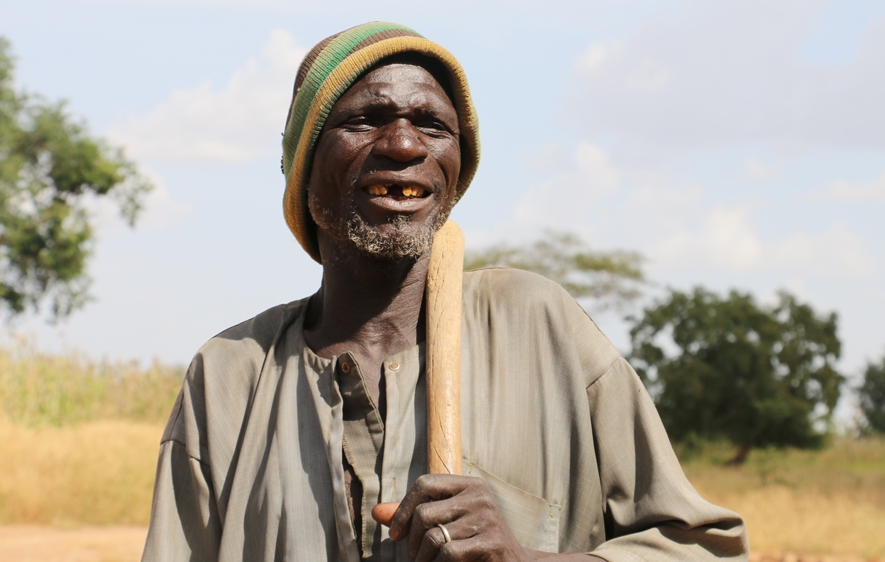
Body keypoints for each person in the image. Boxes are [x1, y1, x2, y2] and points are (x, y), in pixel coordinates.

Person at [141, 22, 749, 562]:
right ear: (304, 163)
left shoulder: (542, 328)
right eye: (365, 119)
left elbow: (707, 551)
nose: (405, 146)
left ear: (456, 170)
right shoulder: (228, 379)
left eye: (432, 125)